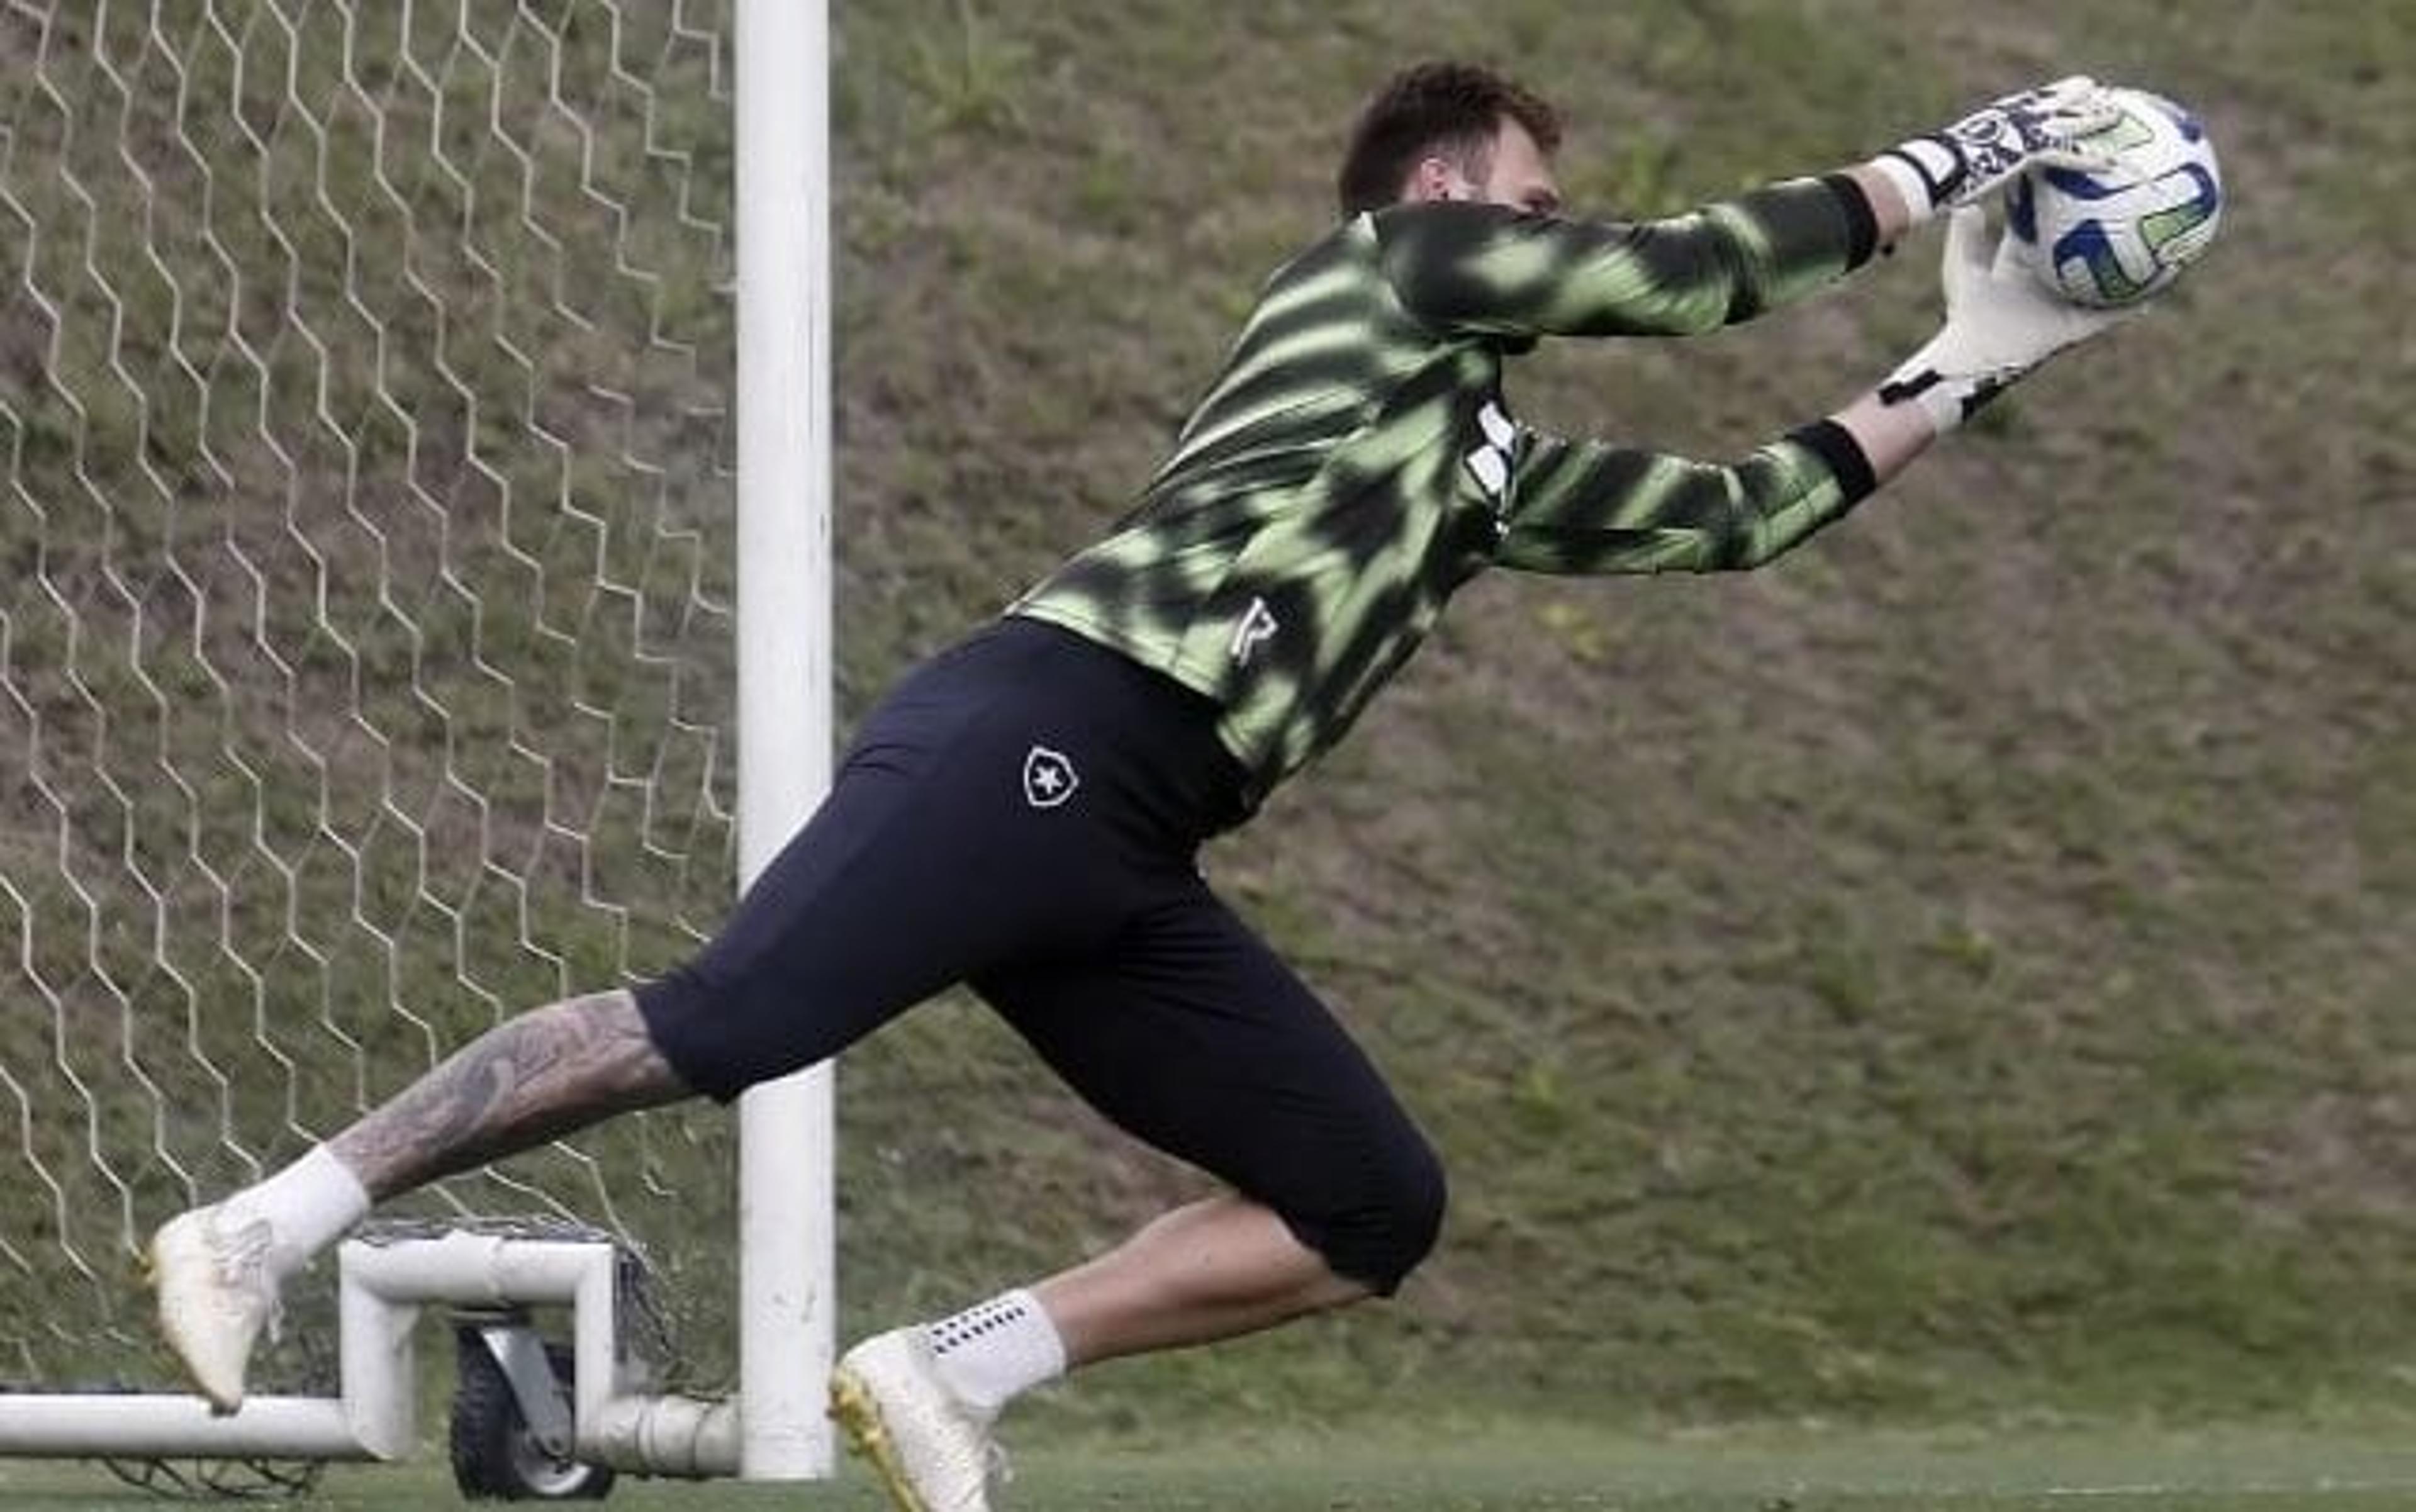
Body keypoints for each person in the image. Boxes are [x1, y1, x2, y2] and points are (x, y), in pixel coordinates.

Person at [151, 61, 2127, 1512]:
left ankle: (952, 1370)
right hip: (1050, 721)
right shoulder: (1396, 266)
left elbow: (1735, 513)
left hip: (1133, 839)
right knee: (725, 1023)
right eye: (1542, 206)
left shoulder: (1477, 457)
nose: (1557, 241)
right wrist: (1957, 150)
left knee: (1370, 1202)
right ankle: (265, 1223)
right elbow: (1694, 281)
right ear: (1452, 190)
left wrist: (1971, 353)